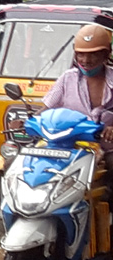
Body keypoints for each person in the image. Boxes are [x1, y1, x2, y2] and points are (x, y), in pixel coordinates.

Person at [43, 24, 113, 166]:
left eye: (93, 54)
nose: (86, 60)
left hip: (107, 149)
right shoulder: (67, 78)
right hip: (69, 147)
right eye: (81, 54)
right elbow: (46, 109)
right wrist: (28, 121)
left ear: (106, 54)